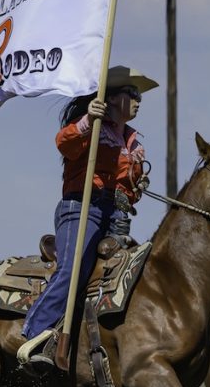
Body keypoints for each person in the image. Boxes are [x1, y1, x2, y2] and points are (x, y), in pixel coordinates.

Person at [18, 65, 157, 368]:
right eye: (132, 94)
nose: (138, 100)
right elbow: (64, 144)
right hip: (80, 207)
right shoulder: (92, 126)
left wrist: (133, 189)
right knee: (74, 270)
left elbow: (130, 190)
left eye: (138, 95)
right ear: (113, 98)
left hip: (114, 214)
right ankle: (32, 334)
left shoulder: (134, 142)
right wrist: (88, 121)